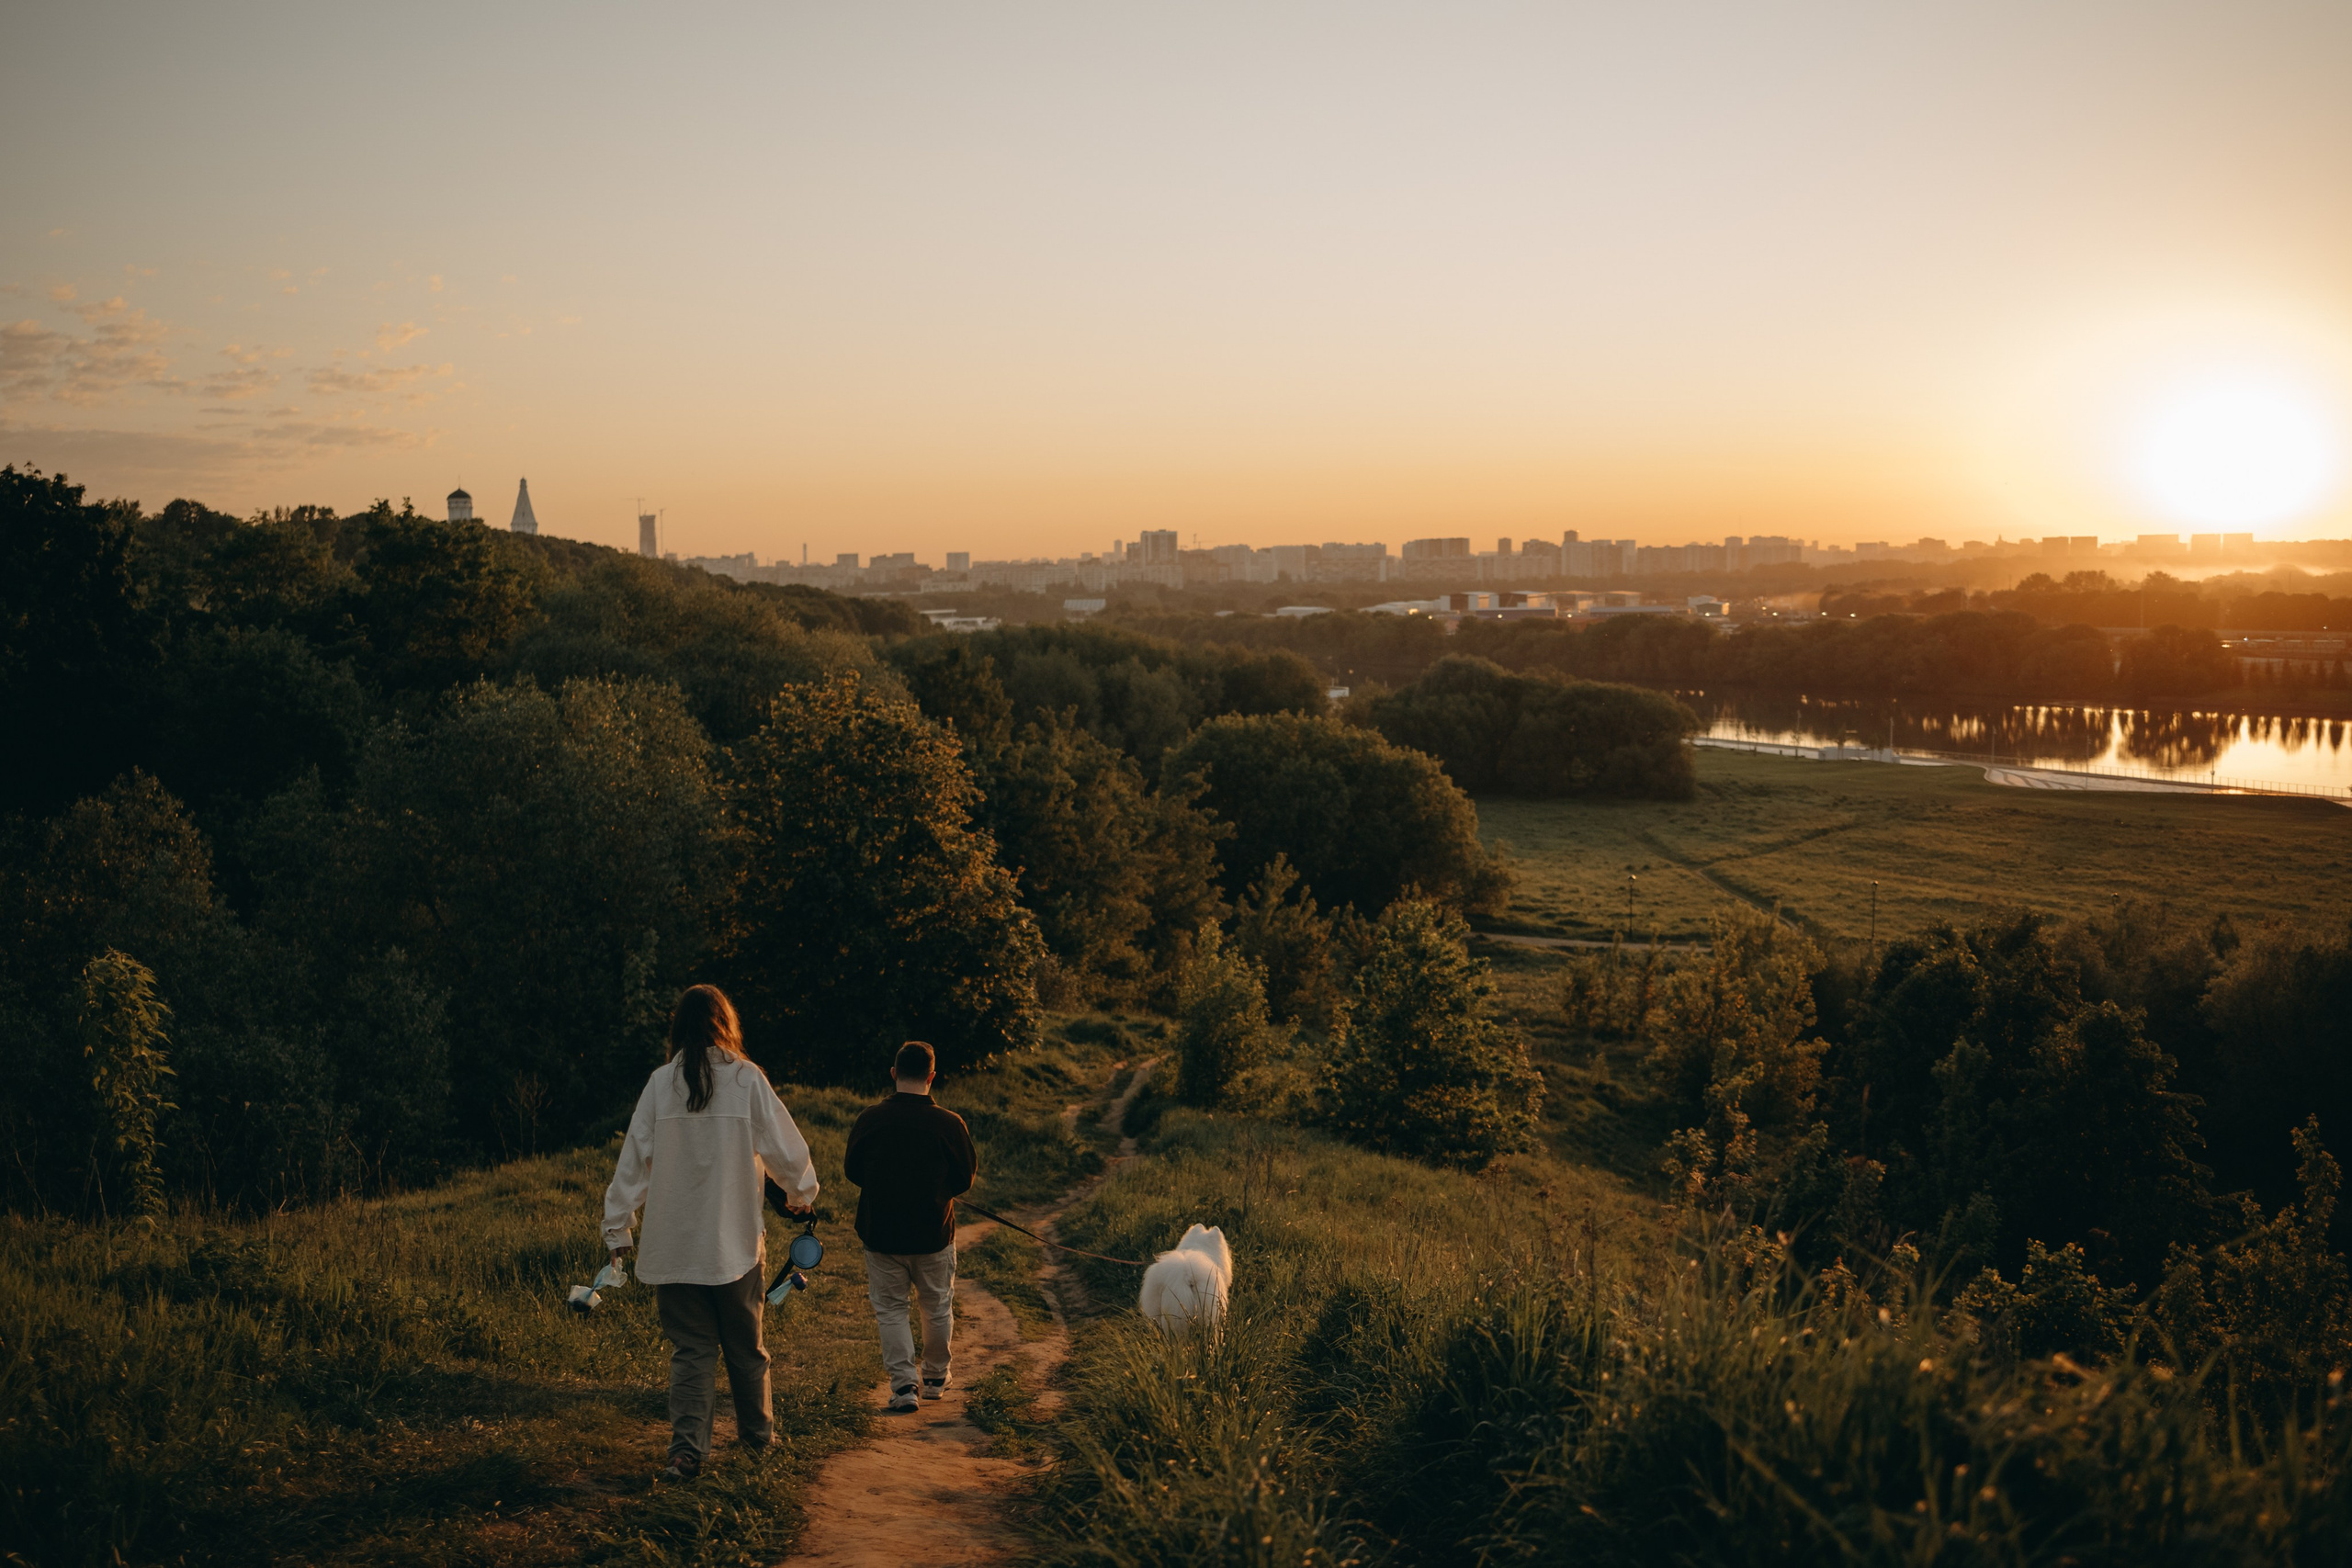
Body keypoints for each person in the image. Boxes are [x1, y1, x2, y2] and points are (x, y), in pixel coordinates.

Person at [604, 985, 819, 1481]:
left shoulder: (661, 1084)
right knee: (747, 1348)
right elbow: (786, 1148)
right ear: (727, 1025)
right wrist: (801, 1192)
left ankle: (685, 1453)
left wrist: (618, 1227)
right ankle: (758, 1442)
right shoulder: (746, 1080)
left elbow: (633, 1161)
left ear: (678, 1027)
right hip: (736, 1246)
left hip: (675, 1244)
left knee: (692, 1350)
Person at [842, 1040, 978, 1414]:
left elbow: (852, 1170)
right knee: (936, 1305)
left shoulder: (870, 1119)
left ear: (893, 1074)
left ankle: (904, 1387)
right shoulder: (950, 1123)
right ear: (932, 1076)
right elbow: (964, 1178)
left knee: (890, 1310)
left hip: (881, 1232)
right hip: (933, 1233)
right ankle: (935, 1378)